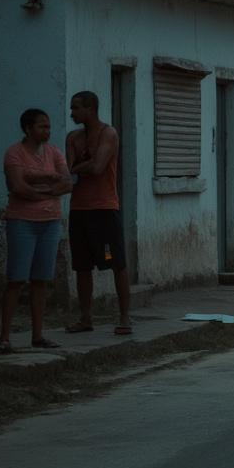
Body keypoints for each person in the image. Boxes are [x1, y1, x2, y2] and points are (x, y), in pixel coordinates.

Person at [0, 109, 73, 354]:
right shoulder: (14, 153)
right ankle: (4, 337)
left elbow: (68, 182)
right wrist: (48, 186)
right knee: (16, 279)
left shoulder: (54, 152)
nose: (47, 131)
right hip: (22, 221)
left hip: (50, 222)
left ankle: (38, 335)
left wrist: (37, 185)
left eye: (48, 126)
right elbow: (18, 187)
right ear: (28, 129)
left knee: (41, 281)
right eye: (41, 127)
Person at [64, 90, 132, 336]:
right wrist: (80, 168)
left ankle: (124, 316)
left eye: (76, 108)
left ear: (90, 109)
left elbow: (98, 167)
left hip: (104, 209)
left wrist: (78, 168)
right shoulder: (73, 137)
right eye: (72, 108)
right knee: (82, 266)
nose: (72, 113)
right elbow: (68, 170)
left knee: (116, 263)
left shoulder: (108, 133)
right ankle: (85, 317)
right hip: (79, 209)